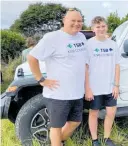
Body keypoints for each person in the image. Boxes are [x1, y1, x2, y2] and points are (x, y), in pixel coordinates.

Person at [27, 9, 87, 146]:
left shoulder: (81, 37)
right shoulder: (52, 38)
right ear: (64, 20)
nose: (77, 24)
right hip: (58, 94)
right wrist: (41, 79)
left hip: (77, 92)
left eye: (79, 21)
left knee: (75, 122)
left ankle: (58, 142)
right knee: (56, 126)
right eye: (73, 20)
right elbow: (31, 57)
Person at [85, 16, 121, 146]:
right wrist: (87, 88)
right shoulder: (88, 44)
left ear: (106, 27)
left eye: (103, 26)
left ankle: (107, 138)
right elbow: (86, 67)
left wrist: (116, 85)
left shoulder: (113, 44)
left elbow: (117, 65)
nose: (101, 29)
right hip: (94, 88)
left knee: (111, 113)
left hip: (110, 87)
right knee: (93, 113)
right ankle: (95, 140)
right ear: (93, 29)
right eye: (98, 27)